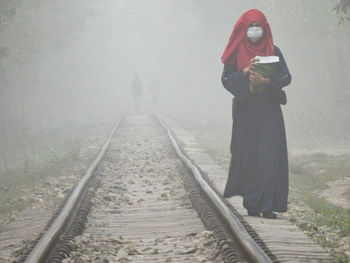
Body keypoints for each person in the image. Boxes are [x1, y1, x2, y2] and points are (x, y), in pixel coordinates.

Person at [221, 9, 292, 219]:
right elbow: (226, 80)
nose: (254, 30)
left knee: (270, 157)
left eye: (258, 26)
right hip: (246, 113)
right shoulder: (235, 53)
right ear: (244, 29)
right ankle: (252, 204)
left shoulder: (274, 51)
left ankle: (268, 205)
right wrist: (244, 73)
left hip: (270, 112)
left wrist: (267, 82)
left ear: (265, 28)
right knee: (250, 157)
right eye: (250, 26)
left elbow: (287, 76)